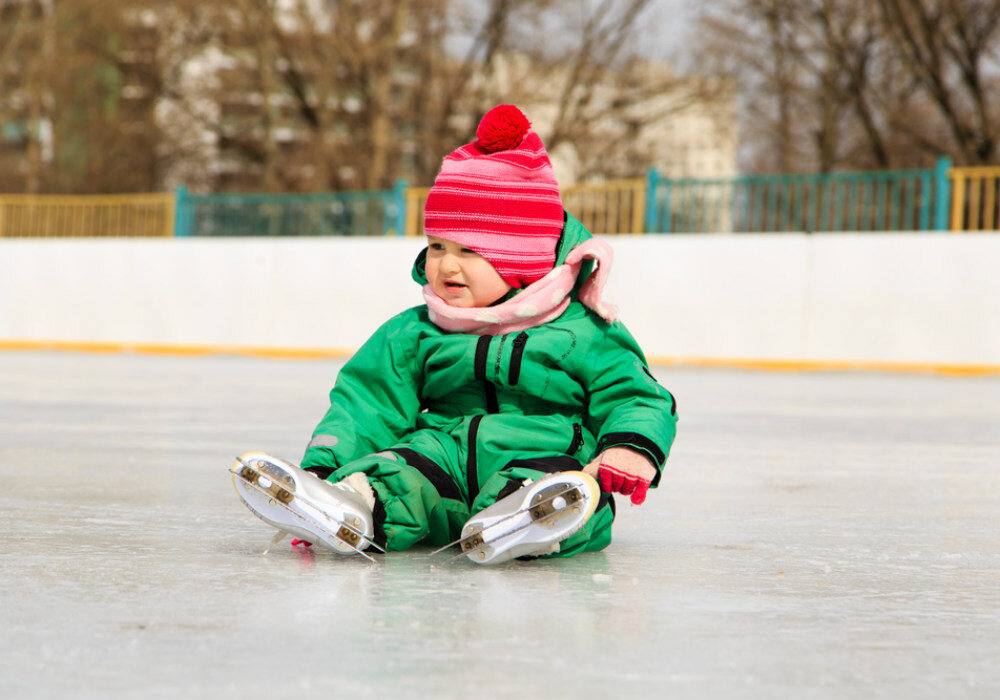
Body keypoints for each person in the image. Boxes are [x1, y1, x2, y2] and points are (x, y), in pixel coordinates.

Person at [231, 105, 678, 564]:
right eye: (438, 246)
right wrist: (325, 469)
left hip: (541, 454)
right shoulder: (418, 329)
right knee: (397, 472)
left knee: (564, 489)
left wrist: (628, 449)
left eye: (469, 251)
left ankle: (529, 521)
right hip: (442, 456)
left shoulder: (580, 328)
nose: (446, 264)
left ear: (519, 259)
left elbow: (636, 396)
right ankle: (347, 507)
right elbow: (368, 402)